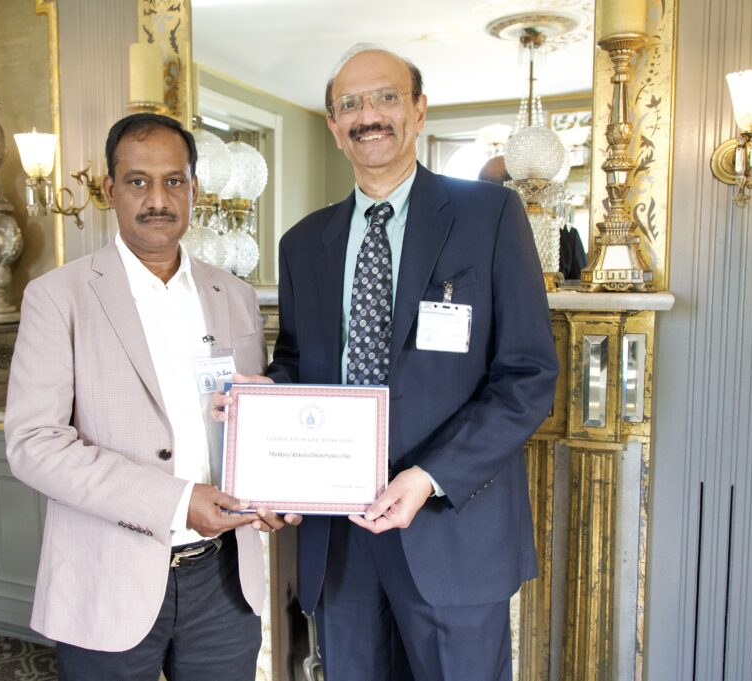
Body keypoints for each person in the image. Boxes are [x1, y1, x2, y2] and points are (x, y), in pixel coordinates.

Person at [268, 45, 559, 680]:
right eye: (350, 104)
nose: (368, 115)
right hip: (340, 535)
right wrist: (258, 401)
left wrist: (429, 476)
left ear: (419, 110)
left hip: (452, 525)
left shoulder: (489, 216)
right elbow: (295, 360)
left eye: (386, 97)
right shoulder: (303, 243)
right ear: (333, 125)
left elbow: (528, 375)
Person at [4, 112, 297, 681]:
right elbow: (34, 445)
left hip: (224, 581)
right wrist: (177, 501)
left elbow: (251, 419)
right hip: (104, 575)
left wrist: (277, 484)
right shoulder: (57, 297)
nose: (157, 199)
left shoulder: (235, 295)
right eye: (138, 181)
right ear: (110, 189)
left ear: (194, 189)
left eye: (173, 181)